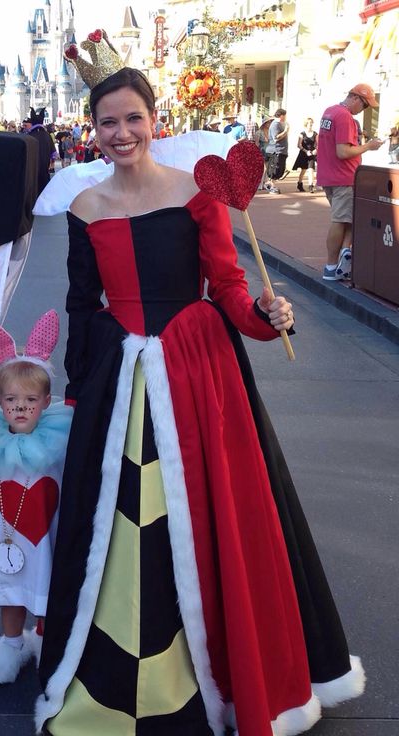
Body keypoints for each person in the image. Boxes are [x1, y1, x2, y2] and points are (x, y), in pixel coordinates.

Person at [34, 62, 365, 735]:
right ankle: (114, 676)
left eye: (133, 118)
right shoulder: (84, 206)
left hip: (196, 373)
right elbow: (79, 302)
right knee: (116, 523)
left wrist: (267, 316)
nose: (121, 132)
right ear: (92, 130)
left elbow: (228, 289)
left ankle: (219, 671)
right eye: (108, 122)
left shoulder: (195, 195)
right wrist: (76, 393)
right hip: (116, 380)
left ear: (154, 120)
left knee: (212, 522)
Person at [0, 311, 72, 684]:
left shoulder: (60, 435)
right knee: (11, 589)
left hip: (47, 534)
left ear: (46, 401)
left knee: (49, 582)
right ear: (0, 400)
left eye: (30, 399)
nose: (20, 407)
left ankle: (47, 639)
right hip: (9, 538)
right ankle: (12, 643)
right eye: (11, 399)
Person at [317, 84, 383, 281]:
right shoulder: (345, 116)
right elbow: (343, 152)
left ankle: (343, 258)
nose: (363, 110)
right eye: (364, 106)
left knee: (349, 219)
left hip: (330, 175)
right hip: (344, 177)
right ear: (355, 98)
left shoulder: (329, 111)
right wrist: (368, 146)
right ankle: (331, 266)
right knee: (341, 219)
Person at [264, 108, 289, 194]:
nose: (285, 117)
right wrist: (286, 131)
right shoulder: (275, 124)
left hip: (281, 150)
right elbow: (276, 138)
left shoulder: (279, 124)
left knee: (278, 169)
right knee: (275, 169)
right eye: (285, 115)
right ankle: (271, 186)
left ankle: (269, 184)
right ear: (281, 115)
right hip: (276, 150)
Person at [293, 117, 318, 193]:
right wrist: (305, 151)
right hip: (303, 153)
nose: (310, 124)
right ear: (306, 124)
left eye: (311, 123)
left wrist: (315, 150)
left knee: (311, 170)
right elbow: (299, 145)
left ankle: (311, 186)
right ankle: (299, 183)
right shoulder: (302, 134)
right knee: (303, 170)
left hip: (311, 154)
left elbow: (318, 144)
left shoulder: (315, 134)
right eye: (309, 123)